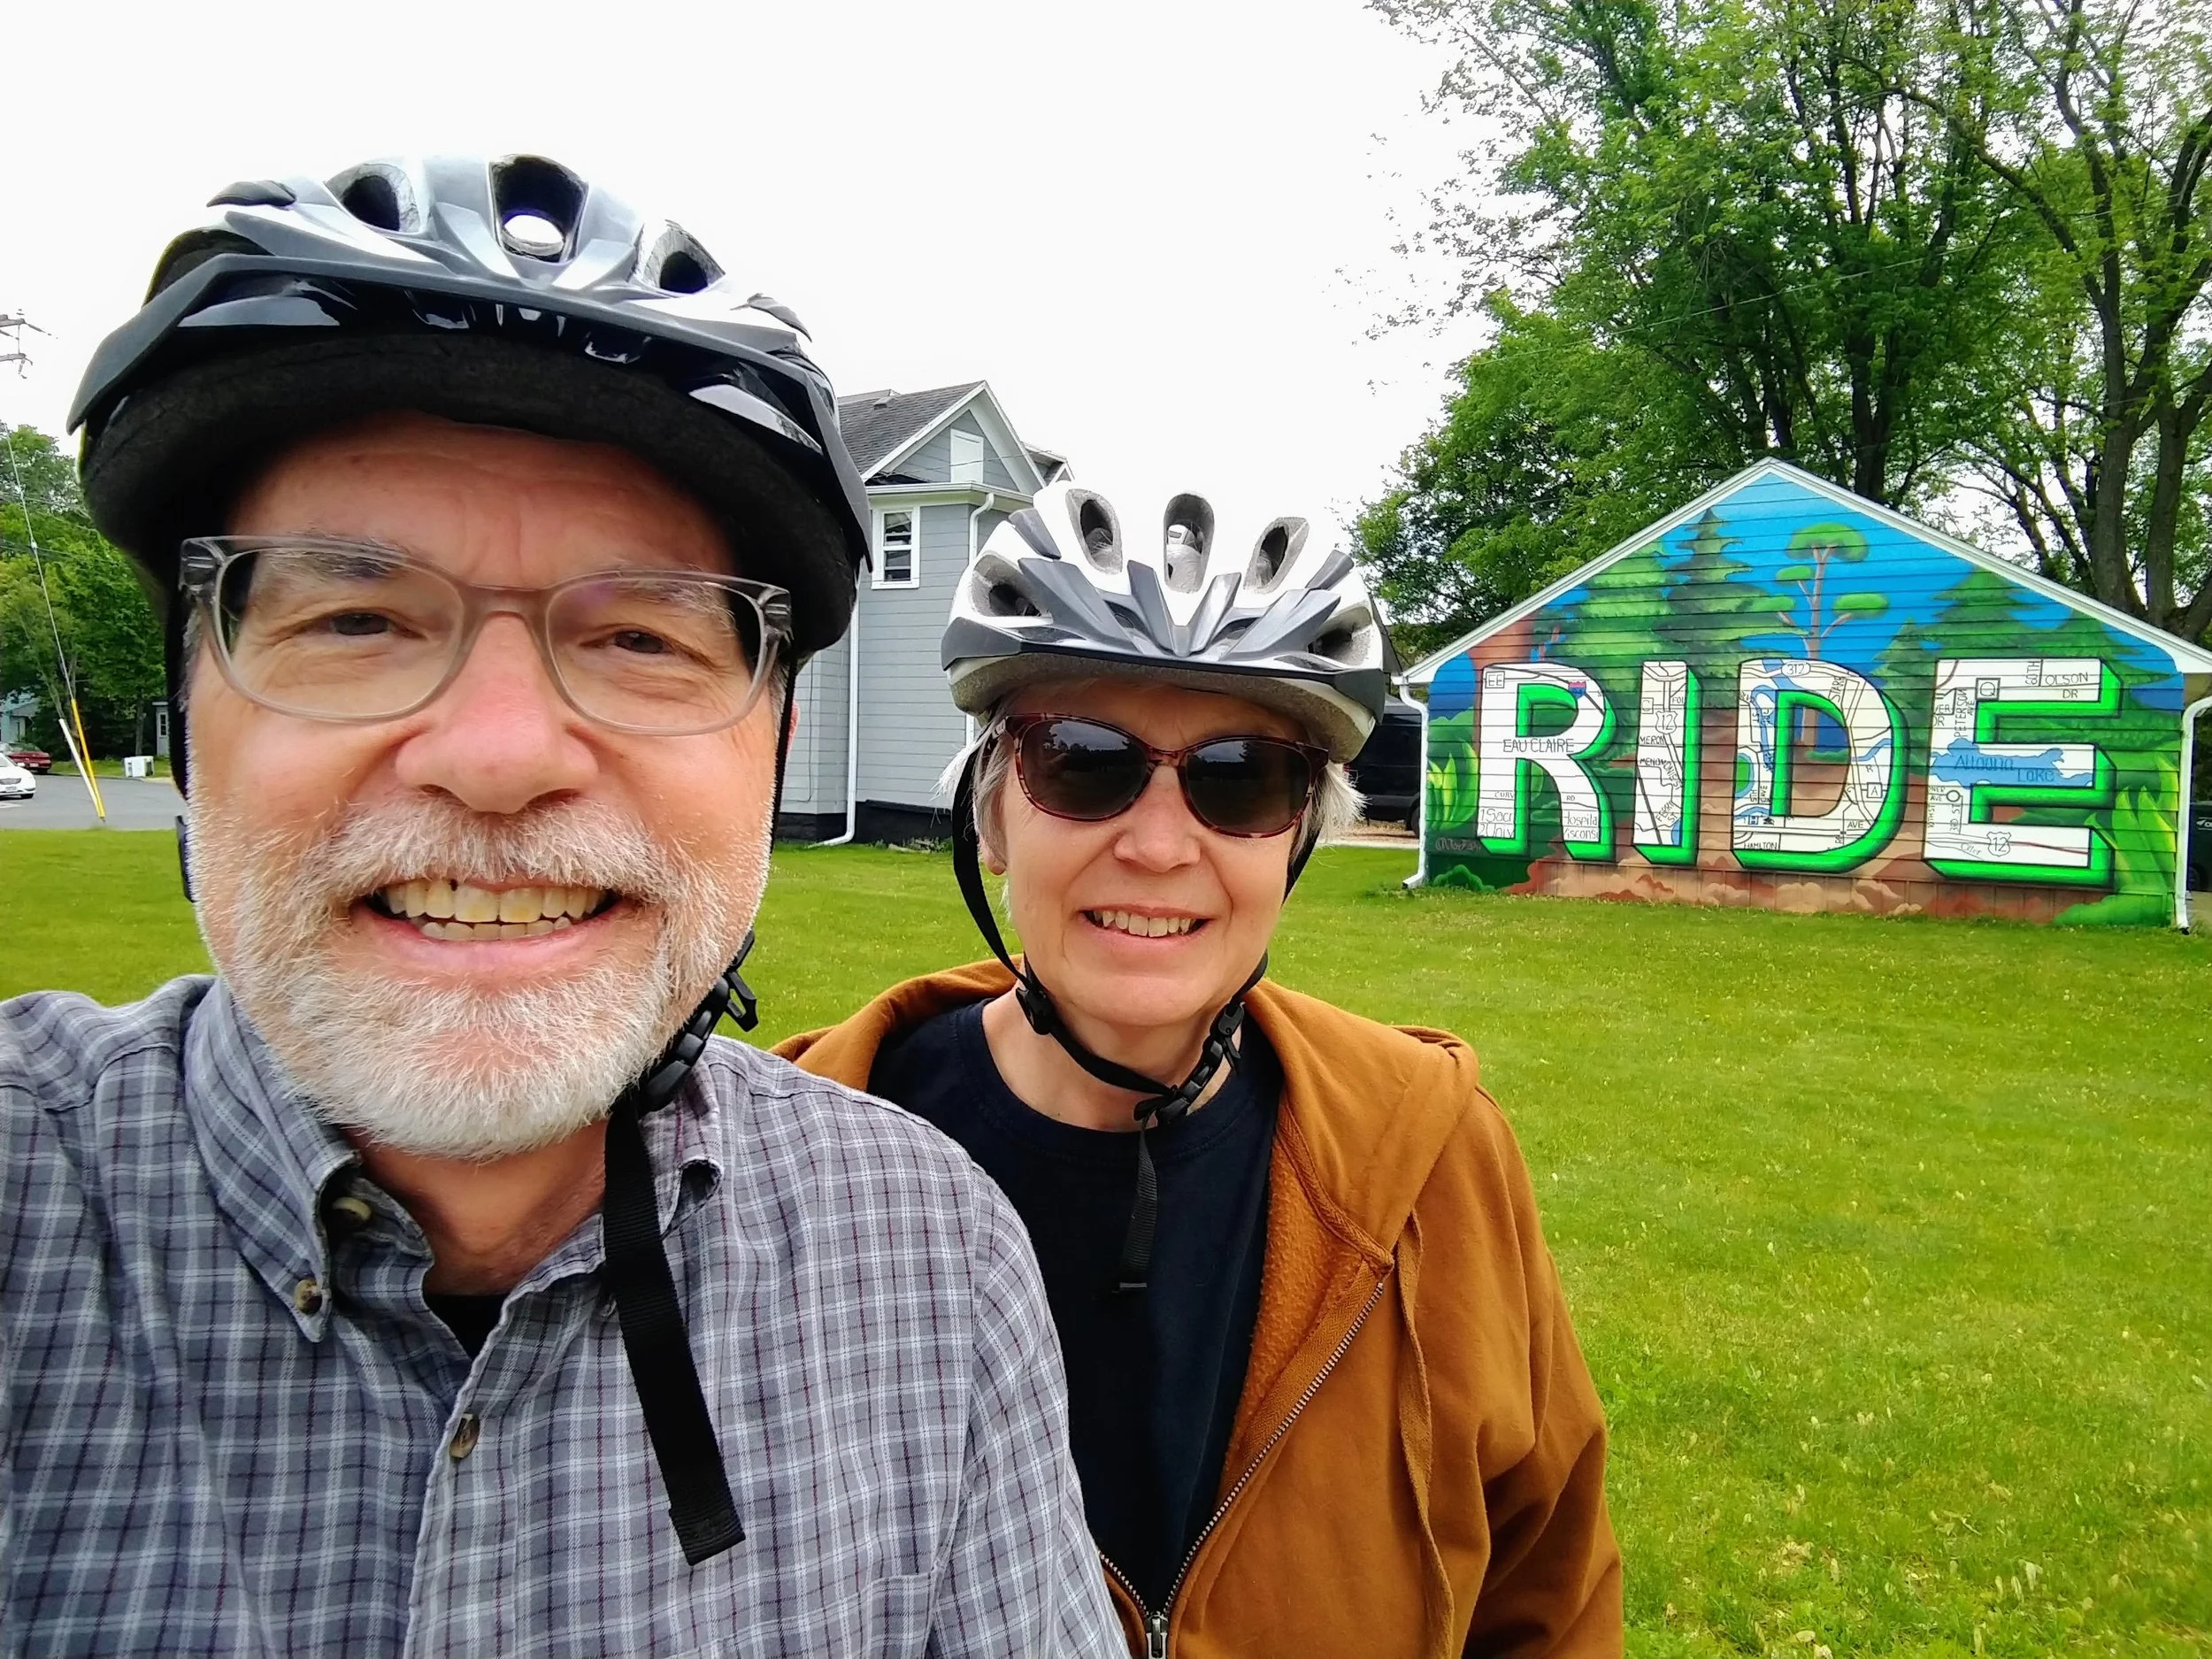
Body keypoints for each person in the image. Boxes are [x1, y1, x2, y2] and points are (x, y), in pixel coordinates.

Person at [0, 155, 1120, 1657]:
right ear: (192, 708)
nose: (503, 755)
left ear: (771, 746)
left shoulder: (929, 1259)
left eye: (643, 636)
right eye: (356, 618)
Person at [780, 485, 1624, 1657]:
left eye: (1238, 777)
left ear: (1299, 838)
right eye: (1082, 761)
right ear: (993, 816)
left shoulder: (1432, 1154)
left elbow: (1550, 1593)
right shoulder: (780, 1173)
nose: (1161, 843)